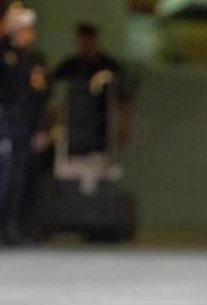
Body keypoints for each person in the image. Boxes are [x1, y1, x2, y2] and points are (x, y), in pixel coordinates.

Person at [0, 5, 48, 245]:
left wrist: (41, 128)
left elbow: (39, 98)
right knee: (4, 176)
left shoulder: (33, 60)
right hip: (3, 122)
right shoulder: (4, 54)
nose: (27, 33)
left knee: (21, 177)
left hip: (24, 124)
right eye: (22, 28)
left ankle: (13, 225)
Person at [53, 23, 130, 156]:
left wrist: (123, 127)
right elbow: (57, 95)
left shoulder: (109, 65)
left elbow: (123, 99)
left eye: (88, 39)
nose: (85, 44)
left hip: (101, 126)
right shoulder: (70, 65)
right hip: (74, 127)